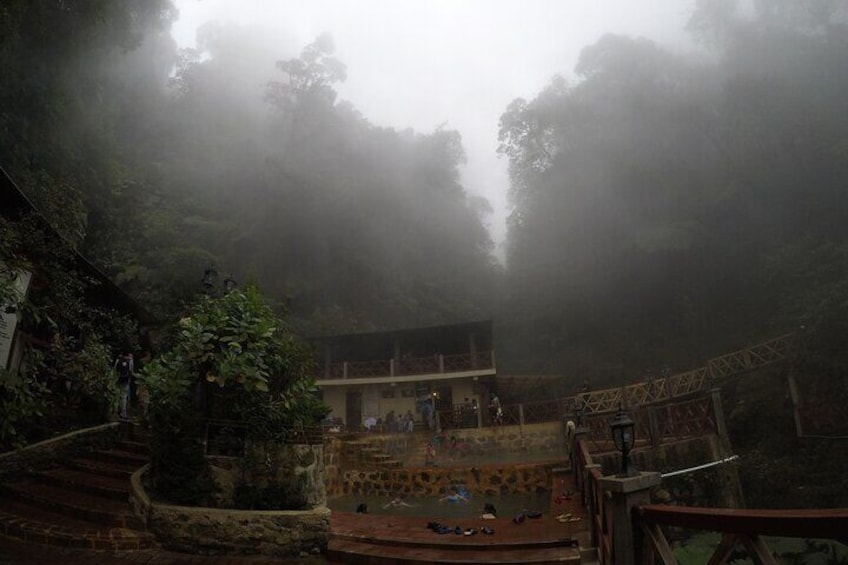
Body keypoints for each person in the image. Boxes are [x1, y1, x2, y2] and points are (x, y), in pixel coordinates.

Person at [114, 351, 134, 419]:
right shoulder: (130, 361)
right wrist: (129, 380)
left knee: (116, 396)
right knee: (124, 397)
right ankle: (123, 413)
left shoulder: (118, 360)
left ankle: (115, 411)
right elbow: (131, 371)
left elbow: (115, 370)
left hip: (118, 380)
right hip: (125, 381)